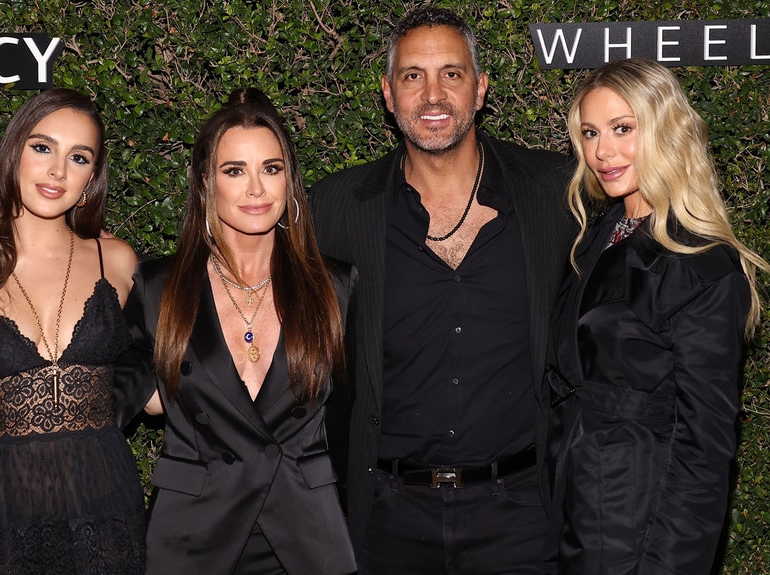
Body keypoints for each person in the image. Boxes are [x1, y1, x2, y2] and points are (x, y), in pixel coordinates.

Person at [309, 6, 576, 574]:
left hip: (524, 518)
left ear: (480, 89)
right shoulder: (335, 209)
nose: (433, 94)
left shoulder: (554, 193)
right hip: (386, 522)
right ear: (388, 93)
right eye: (413, 76)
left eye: (451, 73)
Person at [114, 87, 357, 573]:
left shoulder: (336, 285)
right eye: (234, 171)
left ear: (289, 181)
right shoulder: (158, 286)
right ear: (207, 182)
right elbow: (106, 396)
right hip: (193, 536)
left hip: (307, 535)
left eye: (271, 168)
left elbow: (369, 412)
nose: (255, 189)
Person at [547, 57, 768, 574]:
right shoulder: (597, 237)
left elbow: (706, 446)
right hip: (569, 510)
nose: (603, 151)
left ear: (664, 129)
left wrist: (670, 564)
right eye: (591, 133)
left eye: (623, 129)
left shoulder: (701, 263)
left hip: (640, 529)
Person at [0, 88, 146, 574]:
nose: (58, 171)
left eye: (78, 157)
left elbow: (157, 372)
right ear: (14, 153)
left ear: (91, 178)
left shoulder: (119, 263)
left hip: (108, 511)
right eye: (42, 147)